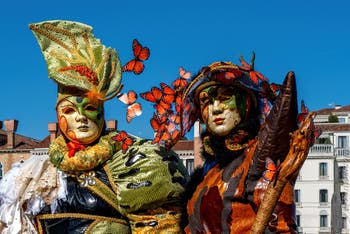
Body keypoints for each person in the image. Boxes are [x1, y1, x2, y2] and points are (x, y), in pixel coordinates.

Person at [0, 20, 187, 233]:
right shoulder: (37, 173)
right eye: (69, 111)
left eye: (89, 107)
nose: (80, 117)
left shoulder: (131, 163)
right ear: (58, 116)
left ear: (102, 113)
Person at [174, 60, 316, 233]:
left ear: (247, 104)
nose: (215, 109)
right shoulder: (207, 173)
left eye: (225, 97)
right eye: (206, 102)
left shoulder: (257, 157)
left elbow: (279, 227)